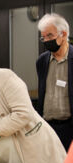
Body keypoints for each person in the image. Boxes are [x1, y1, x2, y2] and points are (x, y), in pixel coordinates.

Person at [36, 13, 73, 152]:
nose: (46, 40)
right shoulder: (42, 61)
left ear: (63, 34)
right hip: (47, 128)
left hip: (69, 128)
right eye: (43, 37)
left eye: (49, 36)